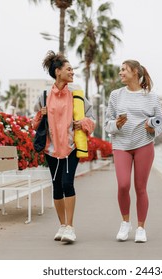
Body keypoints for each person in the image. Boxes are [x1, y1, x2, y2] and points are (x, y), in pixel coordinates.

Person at [32, 51, 95, 243]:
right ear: (57, 72)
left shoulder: (76, 97)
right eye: (69, 69)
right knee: (56, 187)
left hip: (70, 147)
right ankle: (61, 226)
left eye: (72, 70)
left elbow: (91, 120)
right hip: (51, 150)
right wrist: (40, 115)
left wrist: (82, 122)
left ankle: (70, 227)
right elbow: (34, 124)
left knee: (68, 184)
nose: (72, 72)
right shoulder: (44, 97)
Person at [105, 59, 162, 243]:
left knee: (140, 188)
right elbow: (107, 124)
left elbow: (161, 122)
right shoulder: (116, 95)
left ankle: (141, 228)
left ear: (135, 72)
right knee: (123, 185)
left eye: (124, 70)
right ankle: (125, 223)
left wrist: (152, 129)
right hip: (121, 144)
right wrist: (116, 124)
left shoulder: (151, 96)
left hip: (144, 145)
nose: (121, 73)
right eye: (120, 70)